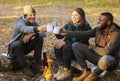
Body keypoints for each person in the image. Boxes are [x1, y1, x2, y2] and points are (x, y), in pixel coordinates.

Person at [60, 12, 120, 81]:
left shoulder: (116, 34)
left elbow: (106, 52)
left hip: (110, 60)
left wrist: (92, 47)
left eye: (101, 20)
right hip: (97, 57)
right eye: (98, 20)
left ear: (108, 22)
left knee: (105, 59)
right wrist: (68, 33)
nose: (98, 22)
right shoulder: (99, 29)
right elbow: (85, 34)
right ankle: (85, 71)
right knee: (76, 45)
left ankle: (94, 75)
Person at [8, 5, 47, 77]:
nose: (33, 17)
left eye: (34, 15)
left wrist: (32, 34)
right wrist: (37, 29)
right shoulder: (19, 23)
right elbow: (25, 29)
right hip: (14, 49)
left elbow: (43, 34)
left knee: (39, 38)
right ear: (25, 15)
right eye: (30, 15)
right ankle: (25, 67)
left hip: (24, 48)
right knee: (17, 43)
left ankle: (36, 65)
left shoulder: (33, 22)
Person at [53, 8, 91, 80]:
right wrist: (56, 30)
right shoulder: (69, 24)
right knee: (57, 46)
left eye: (76, 15)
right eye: (72, 15)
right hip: (68, 47)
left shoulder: (86, 27)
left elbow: (81, 42)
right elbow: (60, 36)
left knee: (66, 47)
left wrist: (65, 42)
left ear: (82, 16)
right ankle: (61, 68)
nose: (73, 17)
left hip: (78, 51)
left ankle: (67, 70)